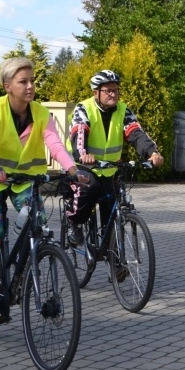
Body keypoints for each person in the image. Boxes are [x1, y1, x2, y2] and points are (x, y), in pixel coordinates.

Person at [0, 57, 88, 319]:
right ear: (8, 85)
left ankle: (21, 274)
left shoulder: (41, 113)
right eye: (24, 81)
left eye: (33, 80)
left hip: (24, 180)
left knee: (39, 223)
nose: (31, 86)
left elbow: (55, 144)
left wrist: (73, 170)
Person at [64, 70, 164, 245]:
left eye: (115, 90)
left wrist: (152, 153)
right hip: (84, 166)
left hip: (110, 168)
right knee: (90, 187)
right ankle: (74, 222)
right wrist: (82, 154)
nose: (113, 94)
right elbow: (79, 134)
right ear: (96, 93)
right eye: (108, 90)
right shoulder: (84, 108)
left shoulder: (123, 110)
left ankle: (116, 261)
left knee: (113, 206)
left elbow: (136, 133)